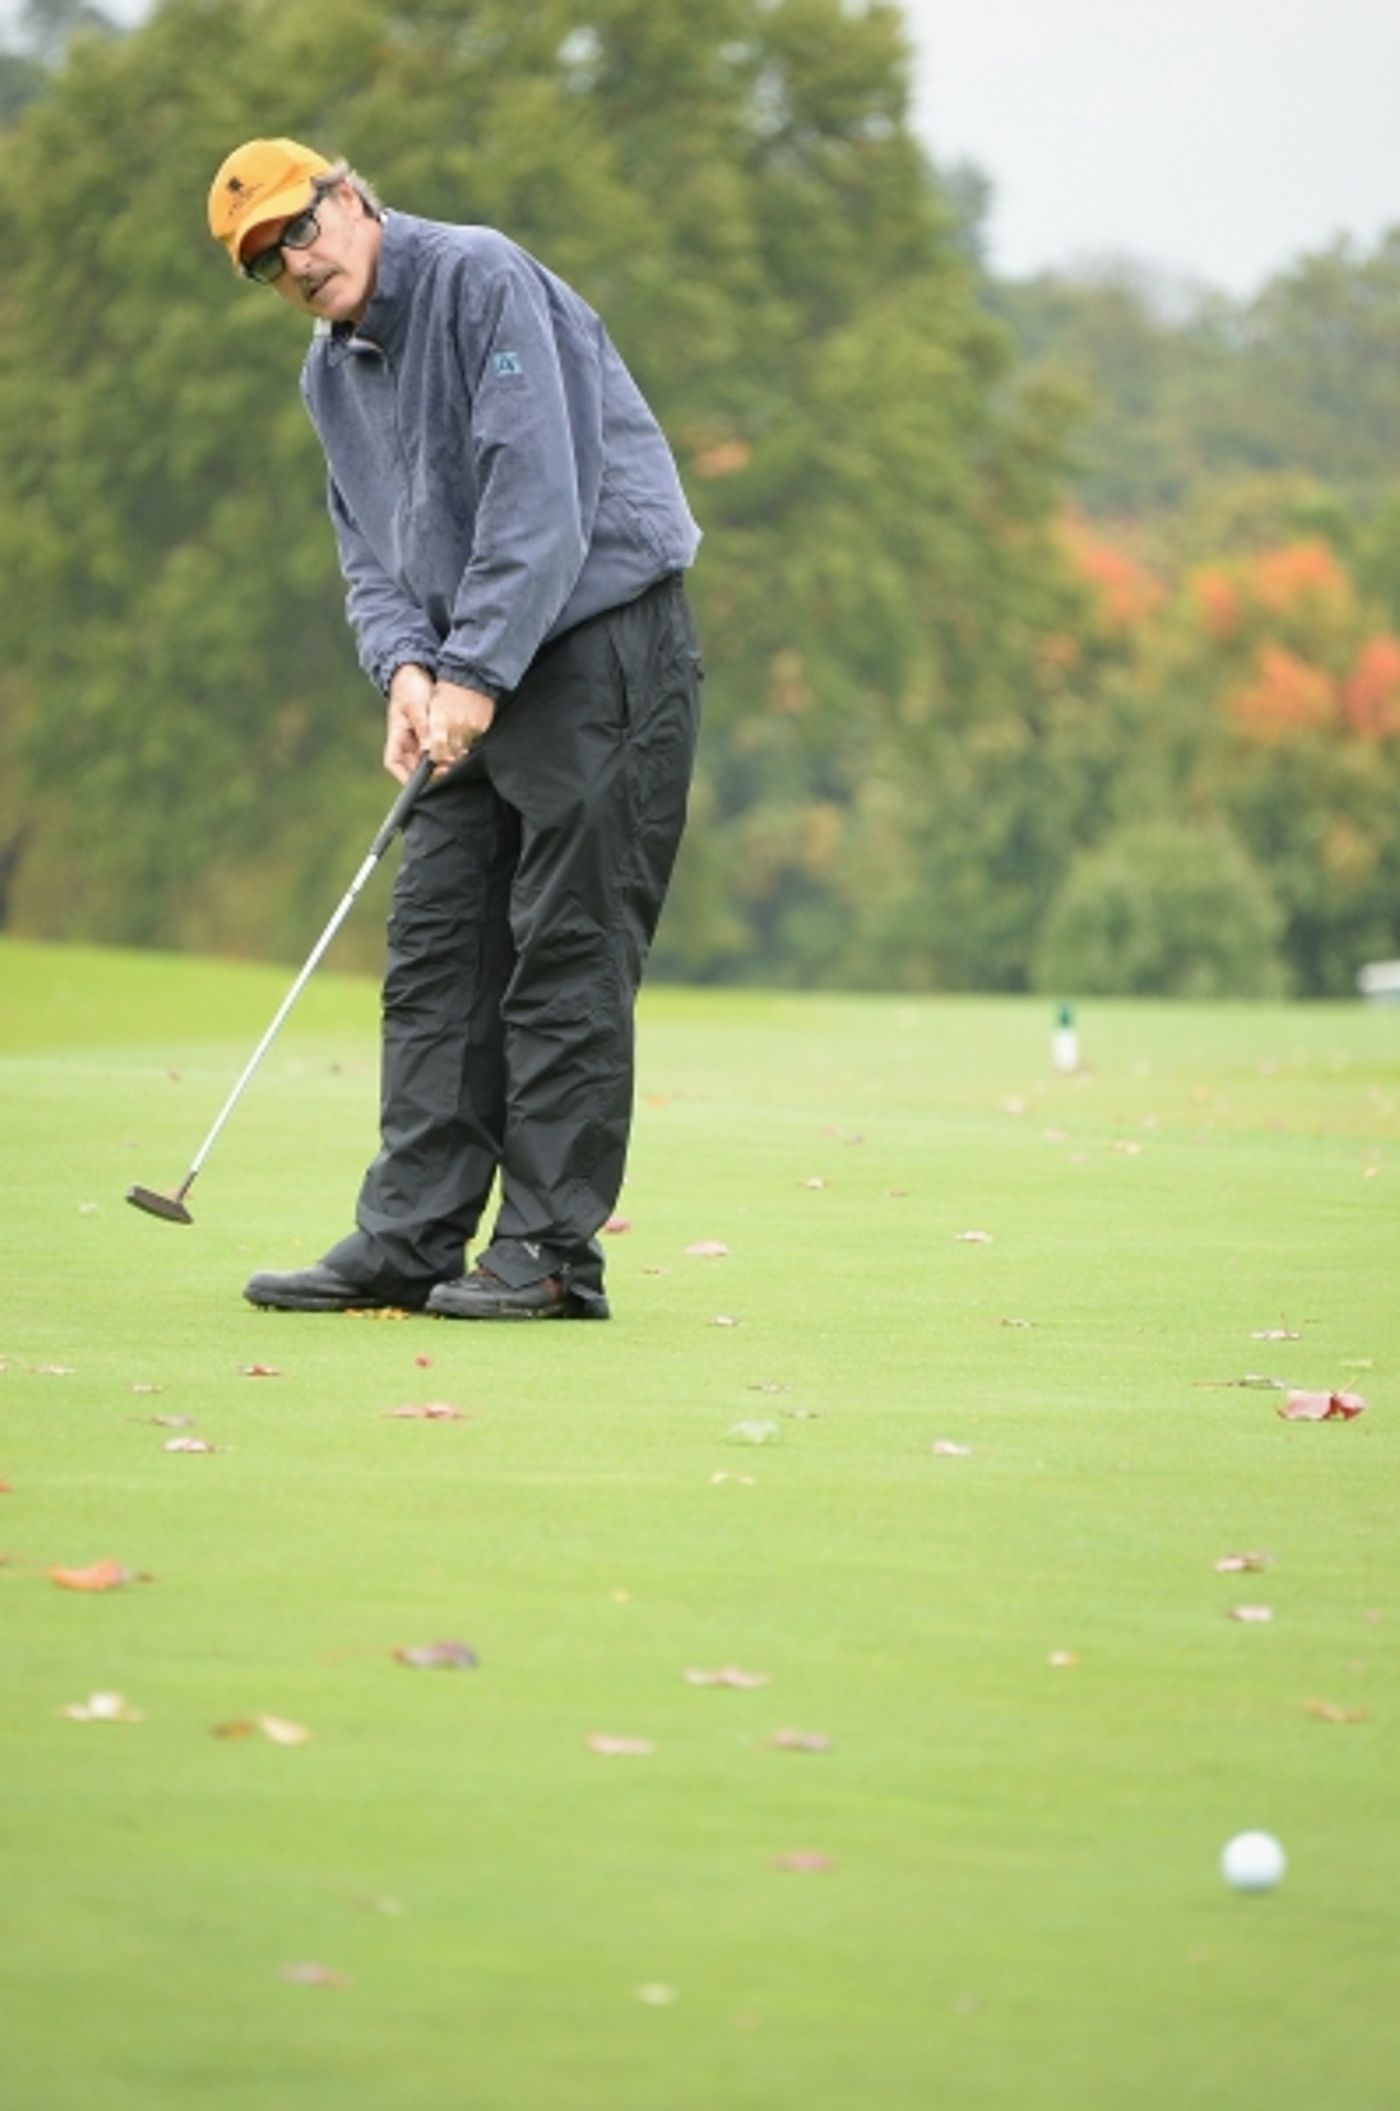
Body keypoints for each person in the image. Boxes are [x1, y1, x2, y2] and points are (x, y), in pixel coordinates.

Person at [207, 138, 702, 1320]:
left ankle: (548, 1254)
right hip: (472, 675)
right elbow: (367, 557)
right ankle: (410, 1234)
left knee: (566, 952)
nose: (293, 263)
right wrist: (406, 670)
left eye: (298, 228)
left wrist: (470, 663)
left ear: (349, 196)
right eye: (263, 261)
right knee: (434, 952)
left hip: (598, 646)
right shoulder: (330, 375)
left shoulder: (480, 277)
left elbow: (542, 495)